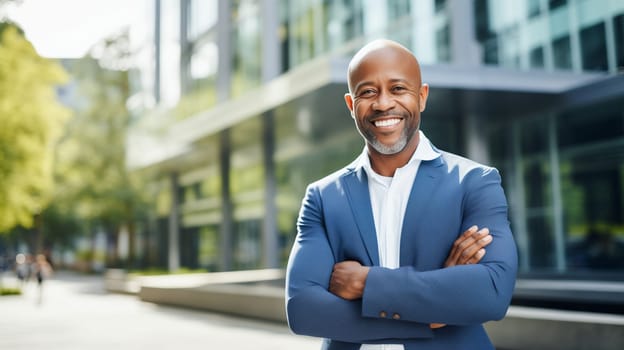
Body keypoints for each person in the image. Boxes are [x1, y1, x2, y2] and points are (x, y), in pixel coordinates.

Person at [285, 39, 518, 350]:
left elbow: (491, 292)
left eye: (398, 89)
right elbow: (304, 310)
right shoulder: (323, 197)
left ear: (421, 97)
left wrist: (366, 283)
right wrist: (430, 314)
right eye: (368, 92)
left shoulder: (475, 182)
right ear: (351, 105)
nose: (383, 104)